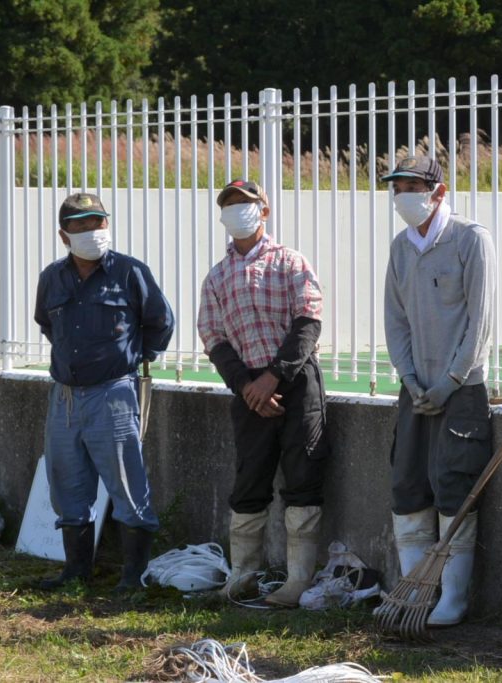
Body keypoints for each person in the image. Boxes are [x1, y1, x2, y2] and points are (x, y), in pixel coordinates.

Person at [197, 179, 329, 608]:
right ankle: (244, 575)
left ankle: (297, 581)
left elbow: (307, 320)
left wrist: (274, 377)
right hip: (248, 388)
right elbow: (213, 337)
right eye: (230, 204)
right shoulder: (216, 277)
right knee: (249, 477)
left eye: (246, 204)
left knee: (302, 473)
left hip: (294, 380)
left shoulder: (290, 262)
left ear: (264, 211)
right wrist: (247, 386)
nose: (238, 211)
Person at [33, 192, 175, 592]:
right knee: (66, 484)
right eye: (81, 225)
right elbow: (46, 322)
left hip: (113, 394)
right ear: (64, 235)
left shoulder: (130, 272)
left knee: (127, 483)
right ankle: (76, 572)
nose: (92, 231)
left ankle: (132, 577)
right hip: (63, 396)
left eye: (98, 223)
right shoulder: (52, 278)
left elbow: (160, 322)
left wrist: (131, 357)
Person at [379, 155, 497, 626]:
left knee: (454, 486)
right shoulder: (401, 247)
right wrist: (410, 378)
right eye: (398, 187)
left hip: (462, 389)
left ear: (439, 191)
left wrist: (450, 381)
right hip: (416, 388)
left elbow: (480, 320)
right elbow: (396, 318)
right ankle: (412, 591)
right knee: (407, 483)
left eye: (413, 186)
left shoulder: (471, 239)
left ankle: (452, 598)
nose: (404, 195)